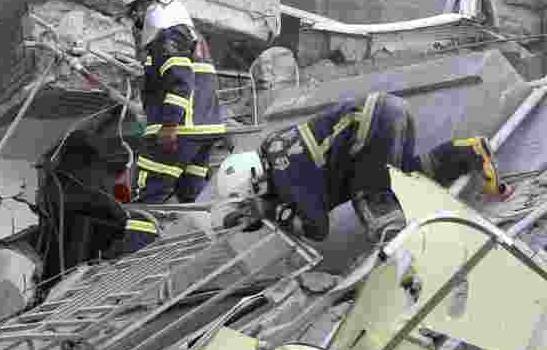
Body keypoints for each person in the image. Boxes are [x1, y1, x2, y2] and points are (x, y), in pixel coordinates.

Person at [215, 91, 511, 244]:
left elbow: (317, 228)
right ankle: (469, 152)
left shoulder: (285, 175)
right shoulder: (276, 153)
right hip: (386, 112)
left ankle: (406, 250)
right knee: (410, 176)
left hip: (370, 125)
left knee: (371, 199)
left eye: (251, 198)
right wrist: (263, 211)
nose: (255, 204)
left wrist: (272, 212)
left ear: (253, 182)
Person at [108, 0, 229, 257]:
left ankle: (133, 259)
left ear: (149, 3)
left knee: (148, 198)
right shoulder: (188, 32)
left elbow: (179, 81)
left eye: (135, 10)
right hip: (204, 131)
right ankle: (200, 252)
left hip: (180, 131)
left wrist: (169, 125)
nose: (135, 19)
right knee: (191, 197)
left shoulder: (167, 34)